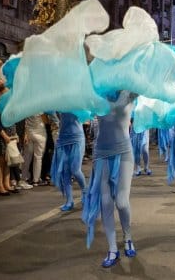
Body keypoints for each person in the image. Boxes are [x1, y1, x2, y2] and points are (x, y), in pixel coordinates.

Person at [82, 91, 138, 268]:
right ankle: (113, 248)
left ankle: (127, 236)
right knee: (106, 202)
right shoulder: (96, 92)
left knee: (121, 202)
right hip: (102, 153)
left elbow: (148, 78)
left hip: (124, 153)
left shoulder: (129, 91)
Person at [50, 112, 87, 211]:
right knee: (65, 172)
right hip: (63, 138)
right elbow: (50, 110)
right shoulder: (60, 101)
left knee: (75, 170)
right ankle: (69, 201)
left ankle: (85, 192)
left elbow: (86, 115)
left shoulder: (78, 100)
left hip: (77, 138)